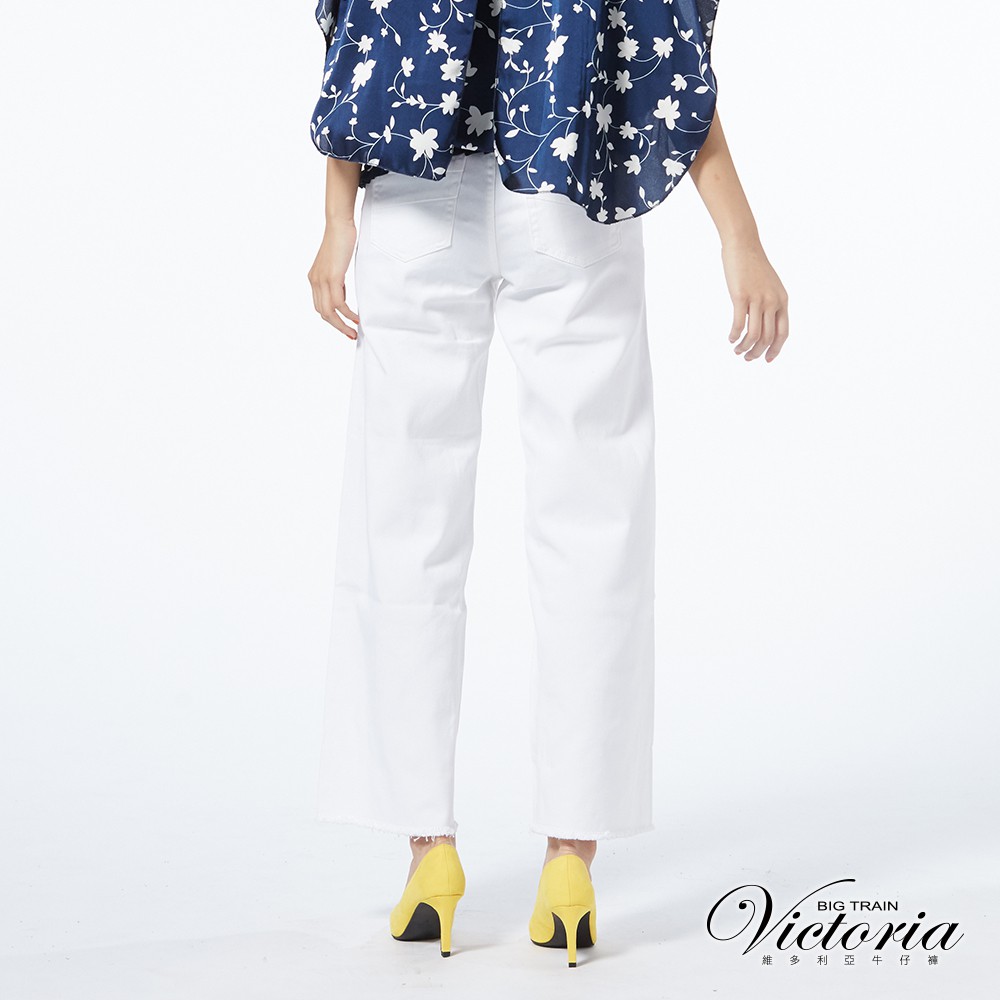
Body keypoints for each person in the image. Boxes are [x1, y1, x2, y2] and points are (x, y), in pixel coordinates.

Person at [306, 0, 788, 966]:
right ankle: (571, 861)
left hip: (413, 200)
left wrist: (335, 220)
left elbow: (360, 32)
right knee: (595, 523)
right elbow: (663, 45)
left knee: (402, 521)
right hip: (567, 194)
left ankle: (429, 857)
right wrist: (739, 232)